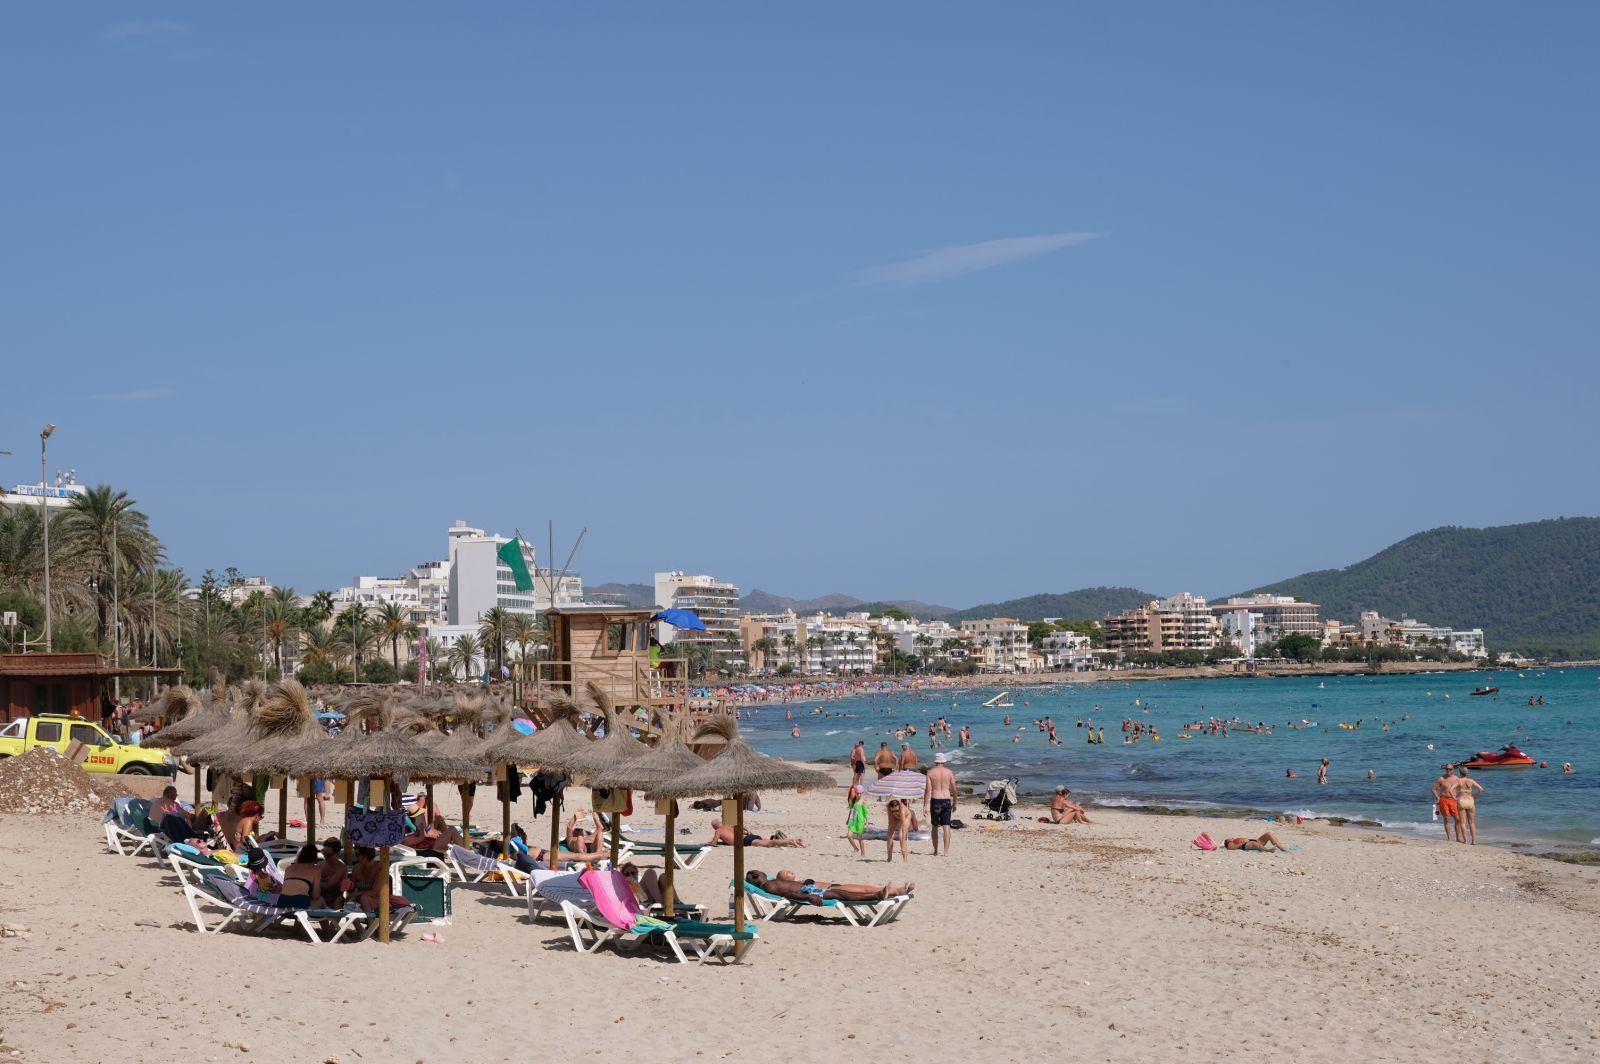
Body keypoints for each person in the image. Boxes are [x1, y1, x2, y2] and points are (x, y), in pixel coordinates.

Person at [746, 870, 913, 904]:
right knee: (840, 894)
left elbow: (789, 890)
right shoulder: (769, 885)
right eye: (761, 873)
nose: (764, 873)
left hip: (808, 889)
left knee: (840, 893)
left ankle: (884, 893)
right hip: (808, 892)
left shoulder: (770, 883)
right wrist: (808, 897)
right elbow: (789, 894)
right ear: (757, 877)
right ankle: (877, 896)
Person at [923, 753, 956, 856]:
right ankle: (946, 852)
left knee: (935, 826)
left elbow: (928, 790)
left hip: (935, 800)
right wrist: (955, 802)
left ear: (935, 761)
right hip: (946, 800)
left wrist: (925, 805)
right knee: (946, 826)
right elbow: (954, 789)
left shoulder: (930, 772)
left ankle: (936, 850)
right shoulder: (949, 772)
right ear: (944, 761)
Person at [709, 818, 805, 848]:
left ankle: (791, 841)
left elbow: (713, 843)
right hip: (749, 836)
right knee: (769, 841)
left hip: (745, 840)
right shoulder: (728, 826)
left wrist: (707, 844)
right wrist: (748, 830)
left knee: (770, 843)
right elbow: (739, 825)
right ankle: (793, 841)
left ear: (714, 827)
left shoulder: (719, 830)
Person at [1455, 765, 1485, 845]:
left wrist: (1455, 798)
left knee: (1463, 822)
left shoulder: (1458, 781)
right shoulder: (1471, 781)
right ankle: (1474, 841)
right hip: (1470, 801)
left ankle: (1465, 840)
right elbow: (1481, 789)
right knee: (1472, 822)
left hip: (1461, 801)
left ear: (1460, 772)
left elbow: (1451, 790)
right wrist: (1475, 797)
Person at [1432, 764, 1461, 842]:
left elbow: (1461, 790)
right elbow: (1433, 789)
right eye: (1447, 769)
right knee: (1446, 818)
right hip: (1444, 800)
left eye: (1450, 769)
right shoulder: (1441, 779)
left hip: (1453, 800)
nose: (1448, 771)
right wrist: (1438, 798)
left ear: (1453, 770)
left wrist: (1460, 798)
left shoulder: (1457, 779)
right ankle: (1449, 838)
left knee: (1458, 819)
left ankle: (1458, 838)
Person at [317, 837, 348, 907]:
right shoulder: (320, 864)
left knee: (339, 900)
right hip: (319, 898)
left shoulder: (341, 868)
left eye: (328, 854)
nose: (325, 856)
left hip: (334, 900)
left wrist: (315, 882)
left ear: (337, 853)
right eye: (323, 852)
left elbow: (329, 885)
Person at [884, 798, 912, 863]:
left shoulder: (902, 810)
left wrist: (903, 845)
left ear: (899, 807)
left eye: (896, 810)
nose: (895, 812)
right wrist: (890, 830)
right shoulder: (889, 808)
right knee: (889, 836)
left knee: (901, 836)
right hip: (895, 818)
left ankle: (905, 859)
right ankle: (889, 858)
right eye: (893, 811)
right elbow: (890, 821)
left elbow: (904, 829)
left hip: (906, 816)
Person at [846, 787, 870, 856]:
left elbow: (866, 812)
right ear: (855, 792)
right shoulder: (853, 800)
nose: (859, 794)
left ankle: (863, 854)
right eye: (857, 793)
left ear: (862, 793)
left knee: (859, 838)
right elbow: (851, 810)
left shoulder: (863, 801)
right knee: (849, 835)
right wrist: (848, 819)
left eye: (860, 793)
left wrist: (867, 822)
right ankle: (856, 848)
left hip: (860, 821)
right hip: (852, 820)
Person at [1223, 832, 1291, 852]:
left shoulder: (1233, 840)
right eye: (1229, 839)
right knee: (1253, 844)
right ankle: (1269, 850)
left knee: (1269, 834)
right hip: (1245, 845)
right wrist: (1243, 842)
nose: (1231, 838)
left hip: (1255, 841)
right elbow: (1231, 848)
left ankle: (1281, 847)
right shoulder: (1229, 844)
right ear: (1227, 842)